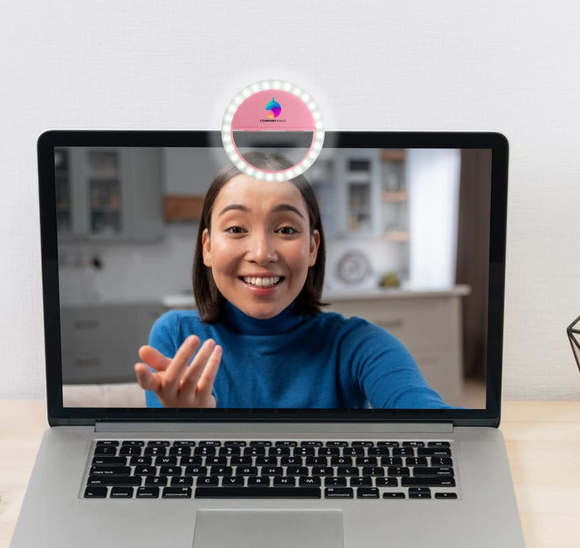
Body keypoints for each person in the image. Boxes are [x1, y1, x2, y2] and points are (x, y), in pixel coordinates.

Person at [135, 152, 448, 409]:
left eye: (285, 230)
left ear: (312, 247)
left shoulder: (358, 345)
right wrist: (188, 429)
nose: (261, 253)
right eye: (236, 229)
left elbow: (435, 422)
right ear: (207, 247)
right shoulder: (176, 338)